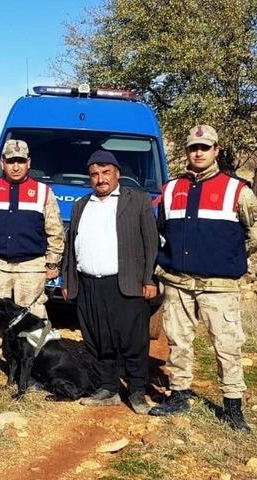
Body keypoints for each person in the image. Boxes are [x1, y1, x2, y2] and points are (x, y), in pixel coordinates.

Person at [149, 125, 257, 431]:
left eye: (205, 147)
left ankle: (233, 407)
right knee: (178, 342)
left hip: (219, 287)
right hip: (178, 283)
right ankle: (179, 396)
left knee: (227, 345)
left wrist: (227, 254)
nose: (199, 153)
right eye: (193, 148)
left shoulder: (237, 190)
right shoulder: (171, 189)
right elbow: (159, 230)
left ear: (216, 150)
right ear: (188, 152)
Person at [61, 150, 158, 414]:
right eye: (94, 174)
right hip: (89, 284)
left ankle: (137, 392)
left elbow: (151, 243)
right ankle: (108, 388)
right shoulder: (81, 205)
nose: (100, 179)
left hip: (125, 284)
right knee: (96, 340)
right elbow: (72, 247)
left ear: (117, 174)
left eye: (105, 173)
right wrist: (68, 280)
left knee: (133, 341)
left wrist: (149, 278)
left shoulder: (137, 200)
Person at [0, 139, 64, 385]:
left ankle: (31, 370)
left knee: (32, 317)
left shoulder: (43, 192)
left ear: (28, 162)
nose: (16, 166)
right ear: (2, 163)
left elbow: (55, 230)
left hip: (31, 266)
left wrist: (52, 263)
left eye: (21, 161)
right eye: (11, 161)